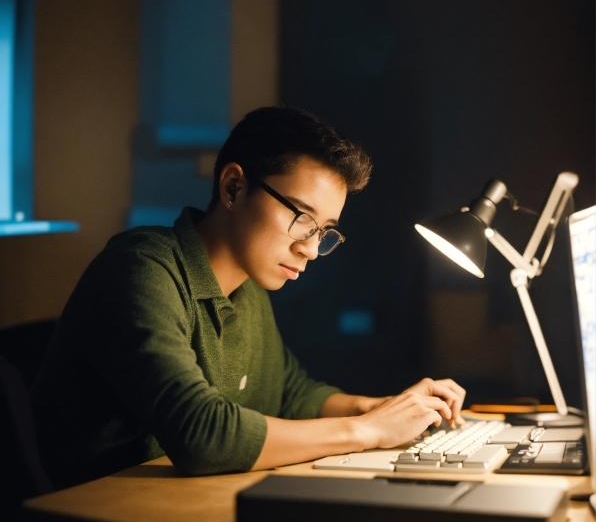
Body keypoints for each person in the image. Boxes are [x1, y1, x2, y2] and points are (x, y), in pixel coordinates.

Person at [32, 106, 465, 489]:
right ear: (234, 188)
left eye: (324, 231)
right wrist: (367, 430)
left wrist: (381, 408)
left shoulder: (248, 288)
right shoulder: (139, 269)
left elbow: (289, 394)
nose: (312, 249)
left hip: (182, 507)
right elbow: (202, 434)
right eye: (301, 218)